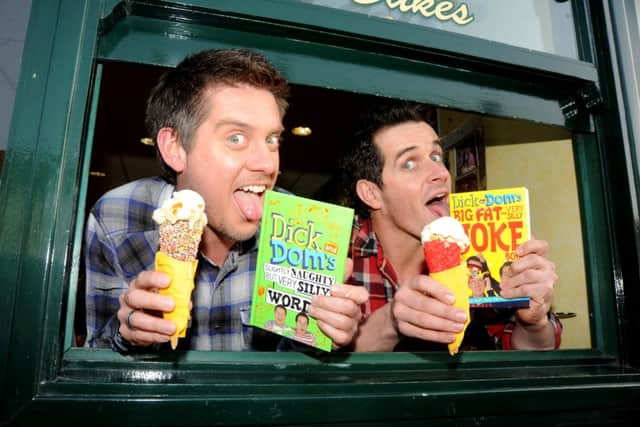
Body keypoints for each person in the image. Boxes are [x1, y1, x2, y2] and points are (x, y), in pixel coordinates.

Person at [84, 48, 367, 352]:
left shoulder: (297, 228)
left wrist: (325, 333)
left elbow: (292, 362)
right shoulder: (117, 218)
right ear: (176, 147)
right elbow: (94, 357)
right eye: (236, 138)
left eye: (272, 139)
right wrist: (125, 334)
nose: (268, 164)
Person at [341, 100, 562, 352]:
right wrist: (392, 321)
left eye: (436, 156)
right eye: (409, 163)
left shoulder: (480, 247)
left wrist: (533, 322)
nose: (441, 173)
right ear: (371, 193)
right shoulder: (336, 256)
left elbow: (530, 358)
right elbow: (315, 366)